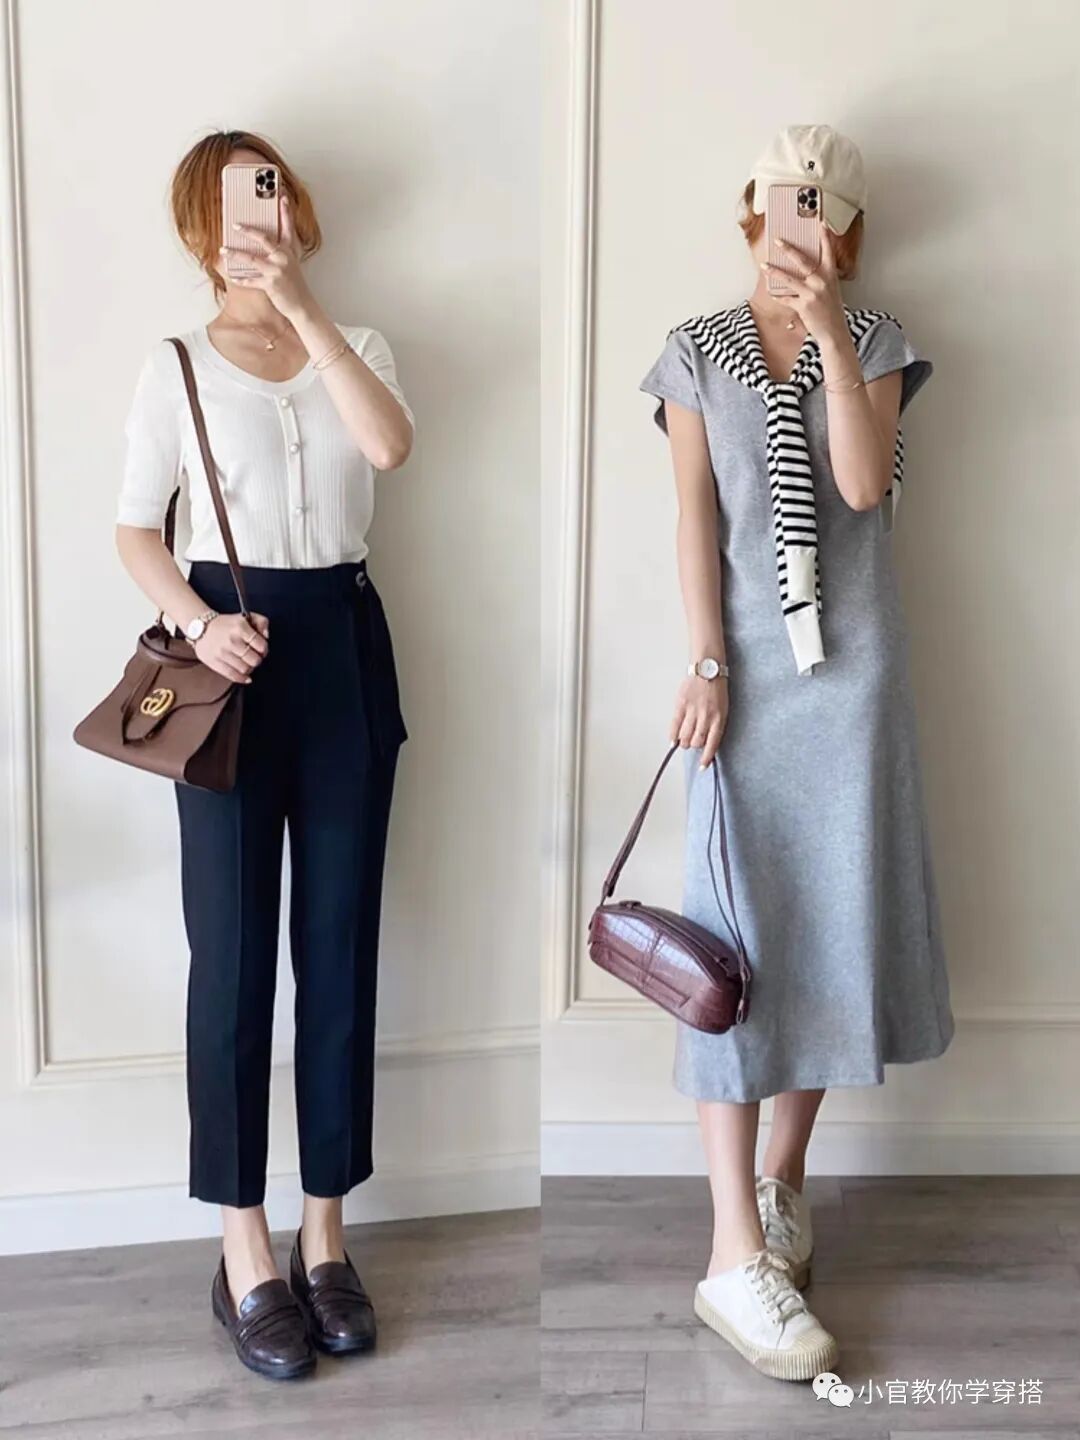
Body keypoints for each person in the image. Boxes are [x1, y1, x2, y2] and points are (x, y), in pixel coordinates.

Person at [639, 125, 953, 1381]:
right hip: (746, 689)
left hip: (853, 685)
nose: (796, 229)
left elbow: (865, 489)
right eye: (780, 206)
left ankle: (781, 1181)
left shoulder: (874, 341)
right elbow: (692, 519)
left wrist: (827, 332)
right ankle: (730, 1256)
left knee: (824, 927)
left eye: (820, 212)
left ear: (849, 232)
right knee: (733, 943)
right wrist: (708, 663)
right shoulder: (694, 350)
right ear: (752, 212)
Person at [115, 129, 414, 1380]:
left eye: (275, 192)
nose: (262, 216)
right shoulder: (175, 365)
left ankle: (325, 1237)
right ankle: (243, 1247)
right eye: (240, 200)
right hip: (226, 671)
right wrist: (199, 623)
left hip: (342, 649)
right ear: (203, 224)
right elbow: (136, 530)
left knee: (338, 952)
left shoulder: (362, 346)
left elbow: (388, 449)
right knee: (233, 961)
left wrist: (301, 307)